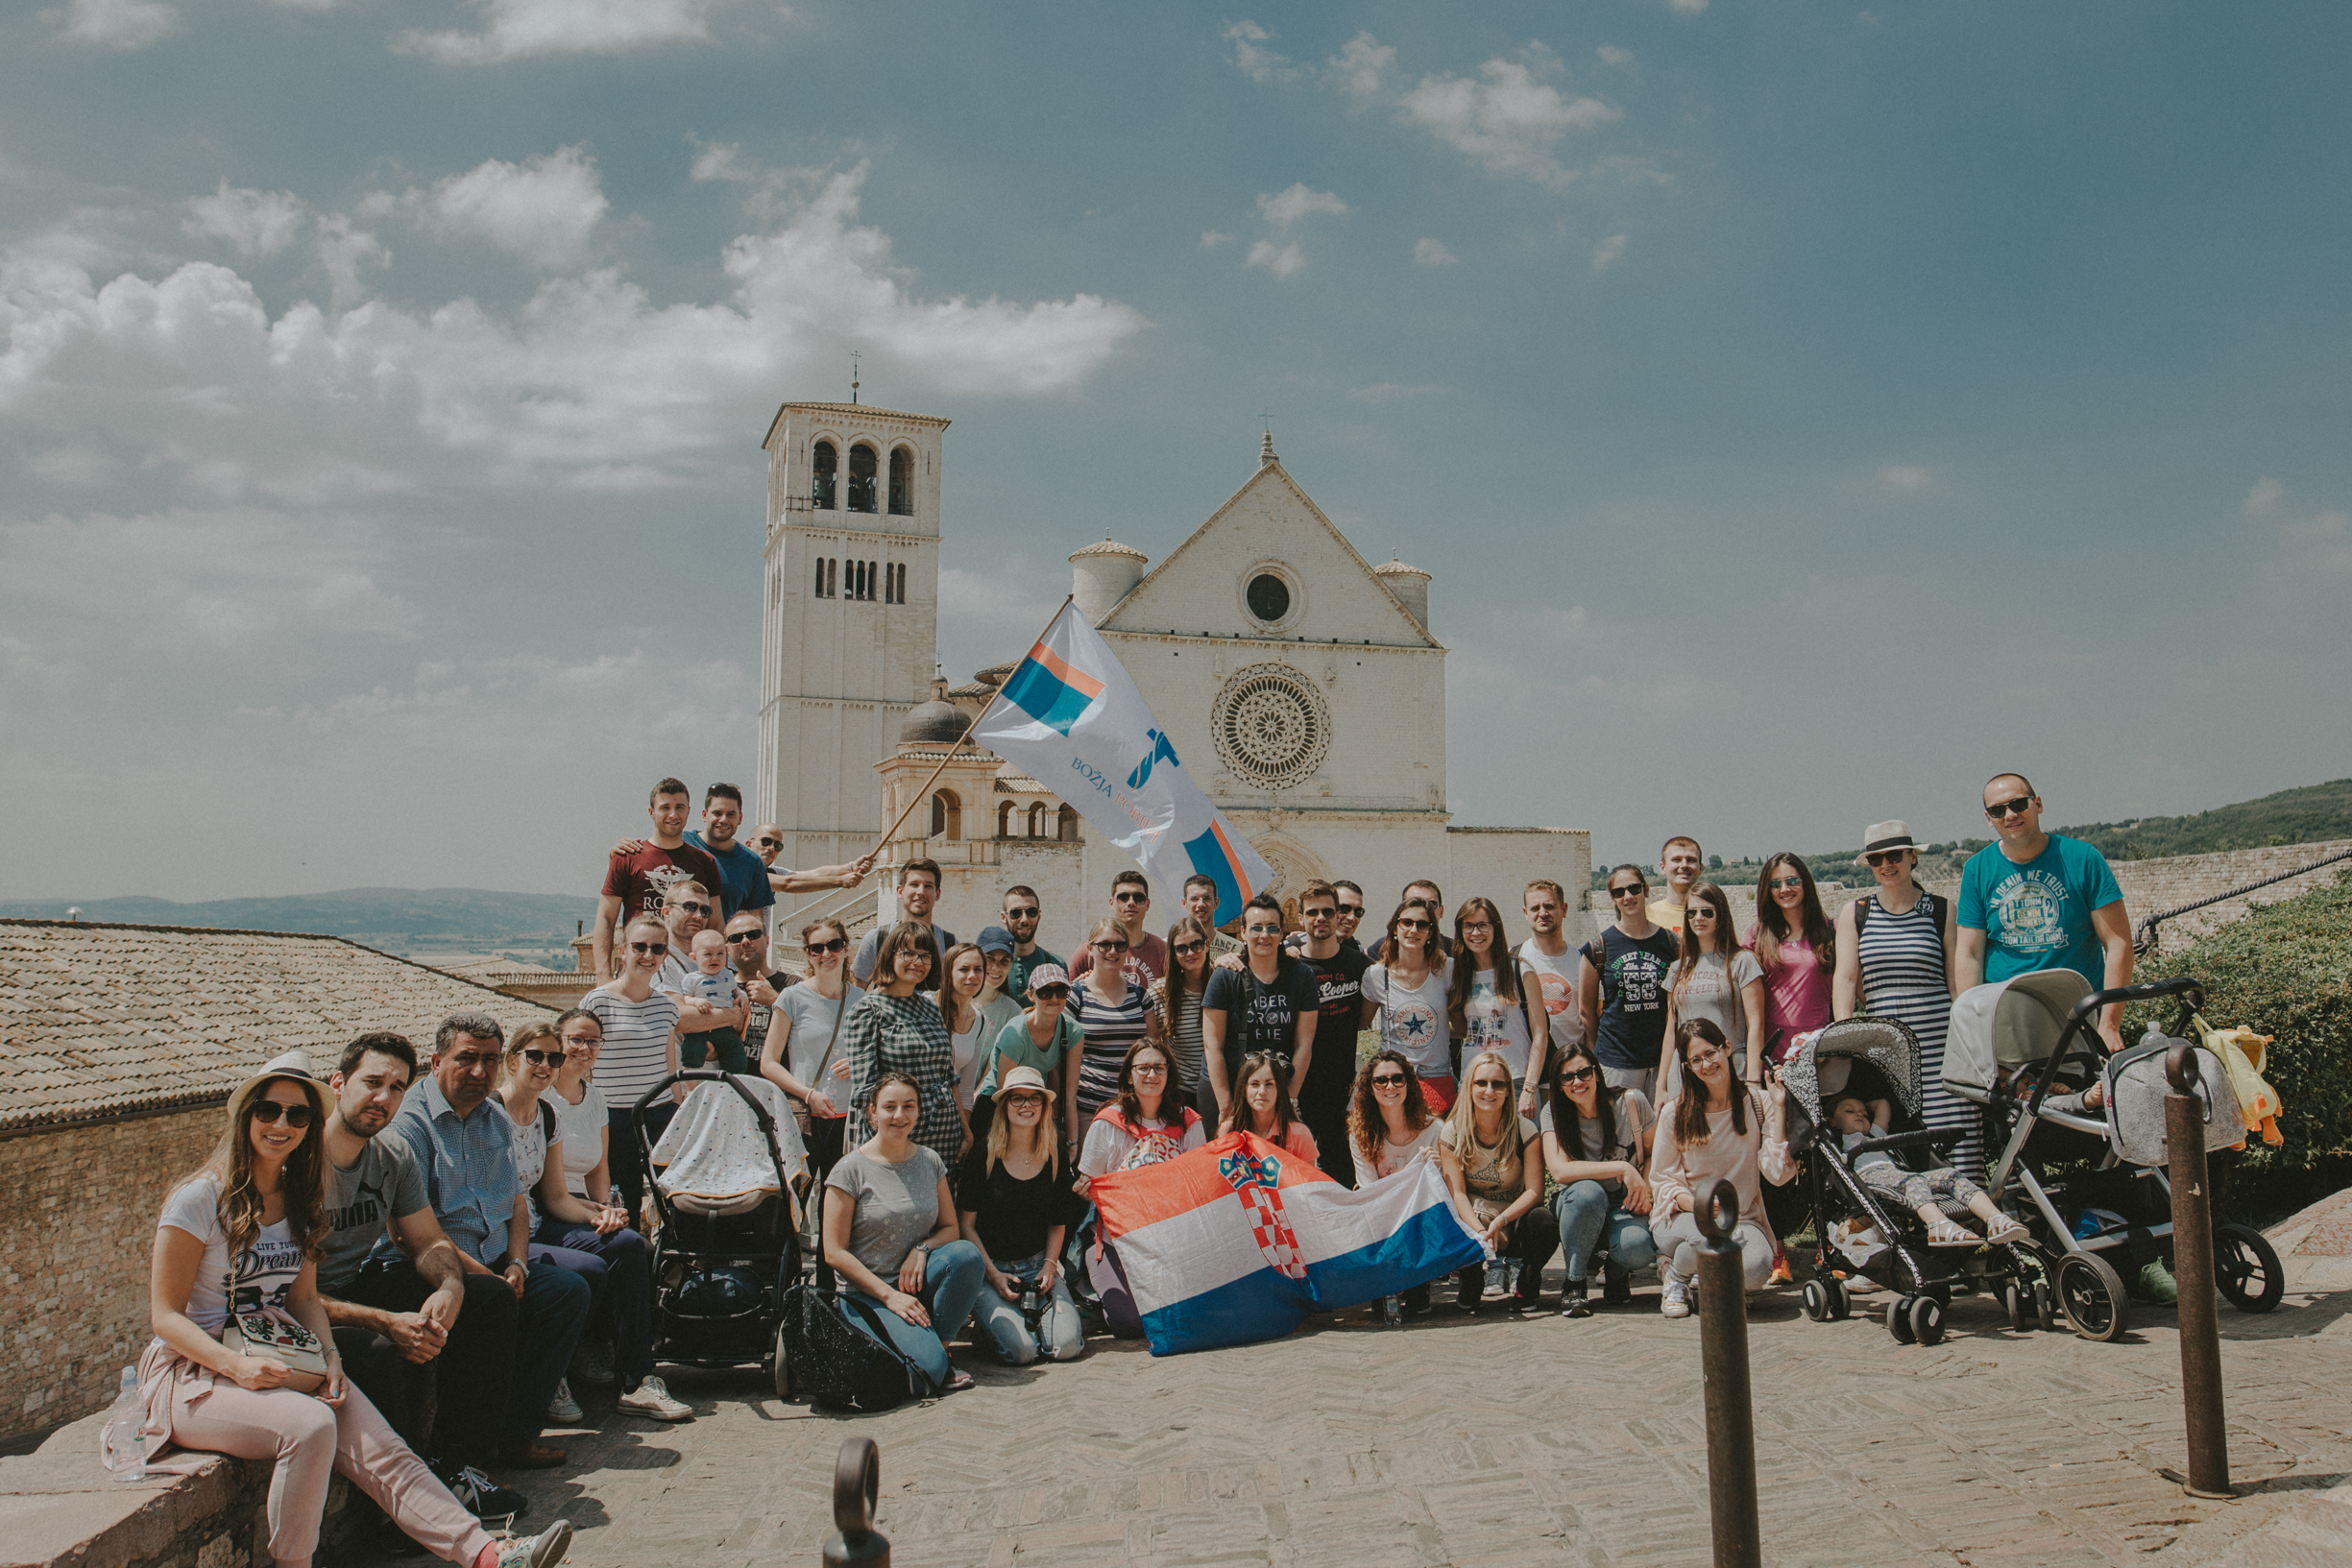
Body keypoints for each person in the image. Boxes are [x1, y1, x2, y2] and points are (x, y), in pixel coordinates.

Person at [143, 1056, 574, 1568]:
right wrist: (235, 1366)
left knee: (385, 1448)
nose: (282, 1125)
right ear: (246, 1117)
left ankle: (488, 1555)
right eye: (268, 1111)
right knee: (311, 1426)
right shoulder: (198, 1200)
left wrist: (330, 1358)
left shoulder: (300, 1199)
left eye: (298, 1116)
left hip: (281, 1353)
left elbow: (302, 1299)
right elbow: (165, 1317)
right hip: (196, 1373)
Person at [310, 1036, 527, 1527]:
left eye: (396, 1088)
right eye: (372, 1082)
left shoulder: (392, 1155)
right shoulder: (301, 1163)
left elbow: (427, 1240)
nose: (383, 1098)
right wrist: (385, 1321)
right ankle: (399, 1511)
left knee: (489, 1297)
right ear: (338, 1083)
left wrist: (450, 1286)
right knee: (381, 1352)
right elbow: (288, 1293)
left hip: (355, 1285)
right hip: (301, 1307)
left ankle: (456, 1463)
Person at [377, 1015, 592, 1469]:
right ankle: (465, 1458)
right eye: (467, 1059)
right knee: (492, 1303)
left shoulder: (494, 1117)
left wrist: (517, 1264)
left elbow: (516, 1203)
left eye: (490, 1060)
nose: (479, 1071)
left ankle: (517, 1433)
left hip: (493, 1262)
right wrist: (487, 1278)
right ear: (436, 1062)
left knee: (567, 1292)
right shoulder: (410, 1126)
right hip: (432, 1267)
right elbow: (413, 1233)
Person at [496, 1023, 687, 1425]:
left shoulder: (548, 1114)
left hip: (546, 1217)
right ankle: (557, 1370)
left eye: (552, 1058)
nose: (546, 1065)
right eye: (536, 1056)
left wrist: (602, 1213)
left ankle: (637, 1380)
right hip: (503, 1233)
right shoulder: (492, 1114)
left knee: (629, 1245)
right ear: (512, 1060)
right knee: (590, 1269)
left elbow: (557, 1195)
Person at [820, 1073, 982, 1395]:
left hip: (915, 1286)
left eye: (909, 1106)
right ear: (872, 1112)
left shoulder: (930, 1161)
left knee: (966, 1255)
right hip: (868, 1294)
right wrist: (889, 1296)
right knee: (928, 1372)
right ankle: (926, 1357)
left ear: (918, 1111)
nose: (899, 1115)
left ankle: (941, 1350)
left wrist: (922, 1248)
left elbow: (950, 1229)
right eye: (889, 1107)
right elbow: (833, 1252)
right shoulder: (850, 1169)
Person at [1956, 773, 2134, 1053]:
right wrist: (1972, 1026)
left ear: (2037, 804)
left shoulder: (2082, 859)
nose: (2010, 815)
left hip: (2078, 1020)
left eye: (2018, 804)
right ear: (1989, 818)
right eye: (1998, 810)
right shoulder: (1977, 870)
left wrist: (2109, 1023)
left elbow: (2118, 943)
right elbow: (1969, 955)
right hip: (2007, 1023)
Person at [1834, 820, 1974, 1173]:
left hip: (1942, 1047)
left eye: (1894, 855)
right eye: (1876, 859)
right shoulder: (1856, 913)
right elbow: (1846, 978)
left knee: (1957, 1144)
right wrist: (1844, 1037)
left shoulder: (1941, 909)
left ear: (1912, 857)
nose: (1886, 865)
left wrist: (1970, 1044)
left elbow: (1955, 984)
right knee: (1899, 1146)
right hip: (1888, 1055)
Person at [1647, 1019, 1794, 1317]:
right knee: (1709, 1239)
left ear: (1727, 1048)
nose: (1706, 1064)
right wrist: (1700, 1205)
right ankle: (1677, 1275)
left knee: (1756, 1270)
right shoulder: (1676, 1113)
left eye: (1711, 1053)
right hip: (1684, 1217)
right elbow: (1662, 1181)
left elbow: (1778, 1175)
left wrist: (1780, 1106)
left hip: (1741, 1219)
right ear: (1687, 1067)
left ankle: (1712, 1277)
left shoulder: (1759, 1103)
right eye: (1696, 1060)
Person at [956, 1066, 1087, 1364]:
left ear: (1044, 1106)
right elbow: (966, 1225)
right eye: (1017, 1098)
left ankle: (1022, 1322)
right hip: (991, 1269)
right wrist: (993, 1274)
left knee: (1065, 1347)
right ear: (1004, 1105)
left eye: (1034, 1098)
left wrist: (1050, 1266)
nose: (1026, 1105)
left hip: (1036, 1266)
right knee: (1022, 1352)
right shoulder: (984, 1155)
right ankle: (992, 1327)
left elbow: (1058, 1221)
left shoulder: (1053, 1153)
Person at [1075, 1040, 1206, 1339]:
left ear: (1170, 1074)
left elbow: (1197, 1185)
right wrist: (1086, 1188)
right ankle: (1092, 1294)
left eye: (1159, 1068)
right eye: (1143, 1068)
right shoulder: (1108, 1123)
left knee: (1189, 1311)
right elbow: (1088, 1182)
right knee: (1131, 1323)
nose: (1151, 1075)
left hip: (1170, 1242)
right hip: (1115, 1242)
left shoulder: (1188, 1122)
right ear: (1129, 1075)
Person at [1540, 1041, 1658, 1318]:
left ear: (1597, 1073)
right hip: (1577, 1204)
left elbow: (1654, 1152)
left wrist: (1648, 1191)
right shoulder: (1553, 1112)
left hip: (1624, 1203)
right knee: (1588, 1192)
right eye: (1567, 1077)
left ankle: (1616, 1271)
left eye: (1584, 1073)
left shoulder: (1632, 1103)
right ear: (1559, 1085)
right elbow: (1560, 1171)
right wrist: (1623, 1168)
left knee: (1638, 1248)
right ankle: (1575, 1282)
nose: (1577, 1082)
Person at [1435, 1050, 1558, 1312]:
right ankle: (1471, 1279)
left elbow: (1535, 1192)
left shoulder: (1525, 1129)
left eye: (1498, 1084)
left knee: (1544, 1222)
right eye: (1481, 1083)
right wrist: (1479, 1233)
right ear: (1469, 1088)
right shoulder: (1452, 1131)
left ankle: (1526, 1284)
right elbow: (1457, 1194)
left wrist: (1502, 1220)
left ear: (1508, 1090)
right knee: (1448, 1218)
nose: (1489, 1091)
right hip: (1475, 1218)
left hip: (1513, 1218)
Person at [1825, 1093, 2026, 1246]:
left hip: (1897, 1174)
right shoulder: (1838, 1141)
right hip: (1869, 1176)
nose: (1859, 1114)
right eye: (1849, 1111)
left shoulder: (1875, 1133)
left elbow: (1882, 1103)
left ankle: (1995, 1219)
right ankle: (1937, 1225)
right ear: (1832, 1120)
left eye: (1863, 1113)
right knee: (1913, 1180)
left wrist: (1861, 1106)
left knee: (1950, 1175)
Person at [583, 913, 684, 1222]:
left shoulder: (667, 1006)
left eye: (657, 948)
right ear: (623, 950)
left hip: (660, 1116)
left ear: (665, 954)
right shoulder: (597, 1003)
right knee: (621, 1200)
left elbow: (669, 1064)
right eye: (639, 946)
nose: (648, 955)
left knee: (673, 1201)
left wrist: (677, 1109)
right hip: (612, 1119)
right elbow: (582, 1066)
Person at [844, 921, 965, 1169]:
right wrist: (889, 1140)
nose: (917, 962)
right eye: (908, 953)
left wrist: (964, 1128)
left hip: (943, 1132)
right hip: (896, 1134)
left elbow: (947, 1075)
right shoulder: (868, 1010)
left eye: (925, 955)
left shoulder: (931, 1007)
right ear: (890, 956)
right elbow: (865, 1091)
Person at [758, 916, 863, 1179]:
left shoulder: (862, 1000)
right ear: (808, 955)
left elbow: (874, 1055)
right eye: (817, 948)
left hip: (848, 1119)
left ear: (845, 948)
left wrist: (859, 1064)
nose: (826, 954)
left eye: (834, 945)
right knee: (796, 1195)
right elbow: (768, 1063)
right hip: (806, 1117)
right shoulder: (792, 997)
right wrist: (808, 1095)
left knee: (838, 1197)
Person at [1201, 893, 1321, 1125]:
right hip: (1226, 1087)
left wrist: (1289, 1101)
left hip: (1277, 1089)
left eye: (1272, 928)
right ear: (1243, 933)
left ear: (1282, 933)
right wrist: (1226, 1106)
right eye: (1256, 928)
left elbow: (1304, 1045)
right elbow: (1212, 1046)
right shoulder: (1225, 976)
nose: (1264, 935)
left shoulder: (1301, 976)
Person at [593, 778, 724, 981]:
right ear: (651, 812)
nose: (673, 815)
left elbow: (715, 922)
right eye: (665, 808)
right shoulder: (627, 857)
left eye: (679, 807)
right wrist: (603, 975)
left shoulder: (705, 861)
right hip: (637, 970)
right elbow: (606, 918)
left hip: (689, 975)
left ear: (688, 811)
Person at [1348, 1050, 1443, 1324]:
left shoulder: (1434, 1129)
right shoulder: (1360, 1134)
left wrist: (1437, 1167)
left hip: (1421, 1212)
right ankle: (1383, 1284)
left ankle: (1418, 1283)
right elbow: (1369, 1189)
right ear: (1370, 1088)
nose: (1389, 1086)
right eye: (1380, 1081)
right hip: (1383, 1212)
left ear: (1408, 1084)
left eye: (1397, 1079)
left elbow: (1442, 1189)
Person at [1290, 881, 1370, 1186]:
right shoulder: (1290, 965)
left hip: (1342, 1090)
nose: (1320, 918)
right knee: (1301, 1176)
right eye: (1313, 912)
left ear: (1337, 916)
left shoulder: (1359, 965)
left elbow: (1364, 1020)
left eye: (1327, 911)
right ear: (1301, 918)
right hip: (1299, 1088)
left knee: (1342, 1176)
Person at [1577, 866, 1679, 1100]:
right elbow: (1586, 1010)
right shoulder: (1598, 947)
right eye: (1619, 892)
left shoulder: (1672, 943)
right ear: (1612, 898)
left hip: (1662, 1060)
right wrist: (1604, 1049)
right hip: (1617, 1061)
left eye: (1634, 888)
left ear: (1646, 890)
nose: (1628, 896)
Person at [1660, 881, 1767, 1098]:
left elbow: (1756, 1024)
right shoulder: (1677, 968)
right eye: (1692, 913)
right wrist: (1660, 1087)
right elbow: (1671, 1032)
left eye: (1707, 912)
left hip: (1731, 1070)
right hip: (1686, 1076)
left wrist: (1754, 1080)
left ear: (1721, 916)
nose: (1698, 918)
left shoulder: (1742, 961)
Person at [1065, 918, 1160, 1142]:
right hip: (1088, 1110)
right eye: (1104, 945)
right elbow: (1062, 1056)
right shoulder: (1076, 995)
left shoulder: (1141, 996)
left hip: (1134, 1110)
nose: (1112, 951)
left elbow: (1153, 1051)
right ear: (1090, 949)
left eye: (1120, 945)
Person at [1448, 897, 1541, 1116]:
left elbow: (1540, 1033)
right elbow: (1461, 1028)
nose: (1476, 933)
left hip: (1515, 1082)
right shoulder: (1458, 974)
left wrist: (1530, 1087)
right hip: (1473, 1083)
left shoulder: (1520, 969)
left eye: (1483, 925)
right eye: (1468, 926)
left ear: (1495, 927)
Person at [975, 965, 1081, 1157]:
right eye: (1045, 991)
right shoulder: (1015, 1034)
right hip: (996, 1105)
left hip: (1035, 1102)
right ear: (1031, 995)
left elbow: (1069, 1096)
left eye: (1061, 991)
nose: (1054, 998)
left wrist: (1072, 1143)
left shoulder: (1072, 1032)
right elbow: (1005, 1096)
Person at [1362, 900, 1457, 1111]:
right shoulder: (1377, 975)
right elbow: (1361, 1022)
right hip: (1393, 1078)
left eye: (1422, 925)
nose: (1413, 930)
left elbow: (1460, 1024)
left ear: (1430, 932)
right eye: (1407, 922)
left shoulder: (1447, 970)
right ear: (1395, 928)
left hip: (1436, 1075)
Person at [1748, 854, 1836, 1070]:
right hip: (1772, 1055)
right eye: (1776, 884)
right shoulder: (1757, 935)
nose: (1785, 889)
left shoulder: (1832, 930)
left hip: (1821, 1052)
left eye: (1792, 881)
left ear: (1806, 883)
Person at [959, 927, 1028, 1137]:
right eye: (990, 959)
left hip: (980, 1105)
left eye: (1004, 961)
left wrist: (971, 1104)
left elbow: (994, 1067)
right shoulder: (958, 998)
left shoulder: (1012, 1012)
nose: (996, 968)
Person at [1147, 916, 1216, 1123]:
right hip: (1180, 1095)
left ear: (1207, 945)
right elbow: (1150, 1045)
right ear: (1173, 953)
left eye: (1196, 945)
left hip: (1219, 1091)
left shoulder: (1222, 983)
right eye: (1181, 948)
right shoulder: (1160, 993)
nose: (1190, 953)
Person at [1517, 879, 1586, 1082]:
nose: (1543, 913)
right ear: (1525, 913)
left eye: (1549, 906)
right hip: (1529, 1075)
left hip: (1573, 1075)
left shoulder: (1583, 961)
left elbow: (1592, 1020)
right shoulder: (1514, 960)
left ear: (1564, 909)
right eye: (1535, 908)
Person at [851, 858, 957, 985]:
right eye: (914, 885)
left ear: (938, 894)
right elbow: (856, 990)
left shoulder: (950, 944)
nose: (921, 892)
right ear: (900, 891)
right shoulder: (877, 939)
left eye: (928, 886)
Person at [668, 928, 749, 1074]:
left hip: (723, 1027)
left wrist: (742, 994)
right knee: (693, 1053)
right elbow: (686, 998)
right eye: (708, 954)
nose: (715, 958)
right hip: (700, 1027)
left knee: (737, 1056)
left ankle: (732, 1081)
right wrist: (696, 1002)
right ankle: (690, 1084)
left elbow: (734, 990)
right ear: (694, 958)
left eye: (720, 954)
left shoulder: (727, 975)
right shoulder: (692, 978)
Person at [1069, 869, 1168, 986]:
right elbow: (1066, 993)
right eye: (1123, 897)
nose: (1131, 902)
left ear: (1148, 904)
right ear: (1112, 903)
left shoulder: (1163, 951)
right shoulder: (1090, 950)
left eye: (1138, 898)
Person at [1221, 1049, 1320, 1164]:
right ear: (1244, 1090)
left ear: (1279, 1090)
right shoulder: (1228, 1129)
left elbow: (1309, 1175)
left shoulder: (1300, 1134)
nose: (1262, 1091)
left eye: (1269, 1084)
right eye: (1254, 1084)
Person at [729, 910, 795, 1072]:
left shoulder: (793, 985)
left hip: (779, 1084)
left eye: (753, 935)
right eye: (736, 938)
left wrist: (775, 1000)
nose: (745, 941)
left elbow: (813, 1030)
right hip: (731, 1082)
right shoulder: (719, 987)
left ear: (767, 940)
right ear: (727, 948)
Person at [935, 941, 992, 1126]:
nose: (972, 976)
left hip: (949, 1120)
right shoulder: (927, 1006)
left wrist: (965, 1131)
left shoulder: (980, 1022)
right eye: (964, 969)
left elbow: (966, 1088)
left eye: (978, 969)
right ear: (948, 972)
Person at [748, 822, 875, 897]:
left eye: (778, 846)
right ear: (749, 844)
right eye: (766, 842)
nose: (771, 848)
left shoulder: (774, 872)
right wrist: (841, 881)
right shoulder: (745, 870)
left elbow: (814, 874)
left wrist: (850, 867)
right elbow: (788, 884)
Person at [997, 886, 1063, 1002]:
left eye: (1031, 912)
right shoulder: (992, 967)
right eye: (1016, 913)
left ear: (1039, 916)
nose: (1024, 920)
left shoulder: (1055, 964)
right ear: (1004, 917)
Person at [1367, 880, 1448, 962]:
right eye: (1413, 903)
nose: (1422, 909)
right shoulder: (1384, 946)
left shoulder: (1453, 950)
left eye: (1431, 904)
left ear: (1441, 911)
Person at [1179, 873, 1245, 961]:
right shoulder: (1168, 946)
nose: (1201, 904)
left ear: (1216, 903)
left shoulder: (1237, 948)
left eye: (1207, 898)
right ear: (1184, 903)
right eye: (1194, 899)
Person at [1649, 835, 1705, 935]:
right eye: (1676, 859)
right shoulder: (1646, 916)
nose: (1684, 865)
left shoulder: (1710, 916)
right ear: (1663, 868)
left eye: (1691, 860)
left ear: (1700, 868)